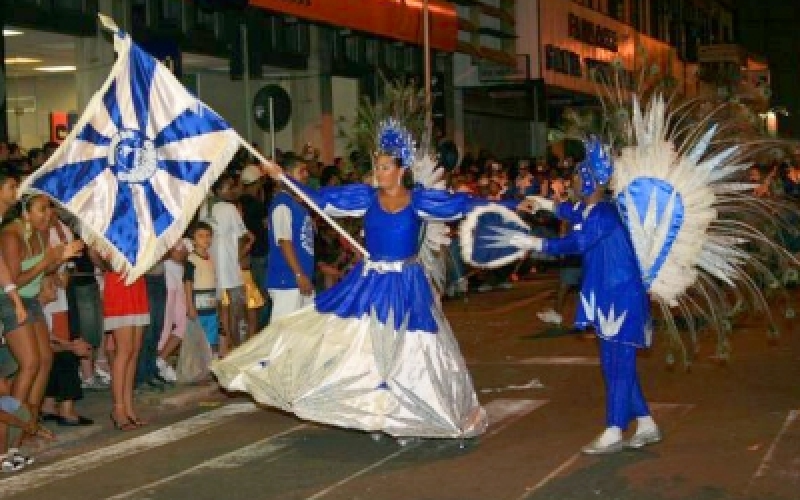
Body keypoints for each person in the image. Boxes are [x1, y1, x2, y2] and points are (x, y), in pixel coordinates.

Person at [212, 119, 530, 438]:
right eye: (377, 166)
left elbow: (464, 204)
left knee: (413, 349)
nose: (379, 172)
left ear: (401, 169)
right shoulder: (365, 197)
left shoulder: (419, 201)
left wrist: (514, 203)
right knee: (366, 346)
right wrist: (283, 178)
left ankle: (412, 411)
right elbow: (320, 199)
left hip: (406, 283)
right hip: (370, 281)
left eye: (385, 167)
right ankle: (374, 408)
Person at [503, 147, 659, 454]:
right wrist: (543, 203)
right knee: (613, 363)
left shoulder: (602, 214)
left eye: (575, 177)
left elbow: (576, 242)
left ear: (587, 182)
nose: (570, 181)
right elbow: (569, 213)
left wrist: (536, 242)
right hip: (607, 295)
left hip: (621, 297)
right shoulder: (591, 211)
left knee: (619, 364)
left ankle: (614, 429)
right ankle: (646, 423)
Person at [0, 194, 83, 426]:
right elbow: (14, 280)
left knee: (46, 360)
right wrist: (47, 262)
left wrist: (61, 258)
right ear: (25, 212)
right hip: (10, 301)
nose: (49, 214)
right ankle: (13, 428)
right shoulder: (11, 235)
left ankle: (31, 423)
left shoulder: (40, 232)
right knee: (30, 364)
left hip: (31, 300)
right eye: (42, 209)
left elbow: (44, 271)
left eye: (50, 209)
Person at [201, 172, 253, 355]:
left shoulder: (205, 209)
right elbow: (244, 236)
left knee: (218, 311)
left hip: (210, 266)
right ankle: (238, 349)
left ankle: (221, 350)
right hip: (230, 267)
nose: (232, 191)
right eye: (229, 187)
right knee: (237, 312)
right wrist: (240, 257)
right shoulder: (229, 208)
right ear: (219, 189)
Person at [98, 257, 150, 431]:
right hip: (118, 282)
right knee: (124, 350)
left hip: (137, 283)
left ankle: (128, 407)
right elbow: (96, 255)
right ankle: (118, 408)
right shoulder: (106, 230)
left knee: (134, 351)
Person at [265, 157, 315, 321]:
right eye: (301, 171)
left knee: (303, 335)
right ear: (285, 175)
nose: (306, 175)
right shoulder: (282, 204)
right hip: (287, 281)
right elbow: (284, 241)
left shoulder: (296, 204)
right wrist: (299, 275)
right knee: (283, 335)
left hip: (299, 280)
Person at [184, 222, 219, 353]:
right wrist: (190, 306)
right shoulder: (191, 260)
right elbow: (187, 284)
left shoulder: (210, 259)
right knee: (198, 340)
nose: (206, 239)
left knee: (212, 338)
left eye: (208, 235)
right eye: (201, 236)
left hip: (211, 307)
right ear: (193, 240)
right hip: (198, 309)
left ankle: (211, 365)